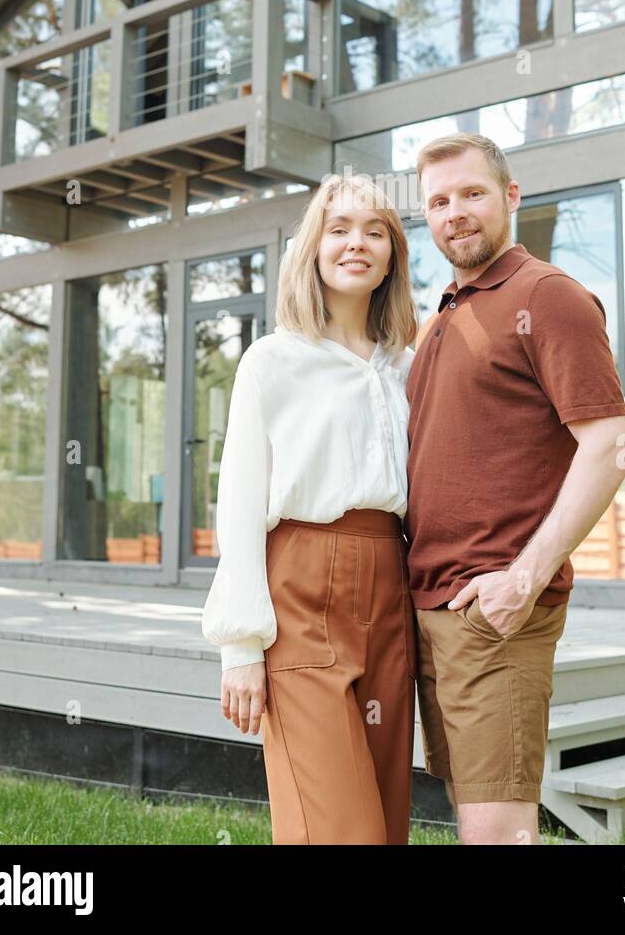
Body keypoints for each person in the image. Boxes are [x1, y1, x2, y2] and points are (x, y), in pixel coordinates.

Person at [405, 132, 625, 846]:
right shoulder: (444, 312)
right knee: (475, 818)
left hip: (494, 609)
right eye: (438, 202)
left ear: (510, 197)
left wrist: (523, 580)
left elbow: (610, 445)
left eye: (472, 193)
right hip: (433, 606)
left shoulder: (548, 295)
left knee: (499, 833)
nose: (455, 213)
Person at [201, 171, 419, 845]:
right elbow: (238, 502)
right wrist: (240, 647)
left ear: (392, 255)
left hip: (391, 584)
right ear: (314, 247)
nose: (358, 243)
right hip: (299, 585)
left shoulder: (406, 367)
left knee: (384, 821)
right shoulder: (273, 361)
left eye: (375, 231)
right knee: (336, 830)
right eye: (340, 228)